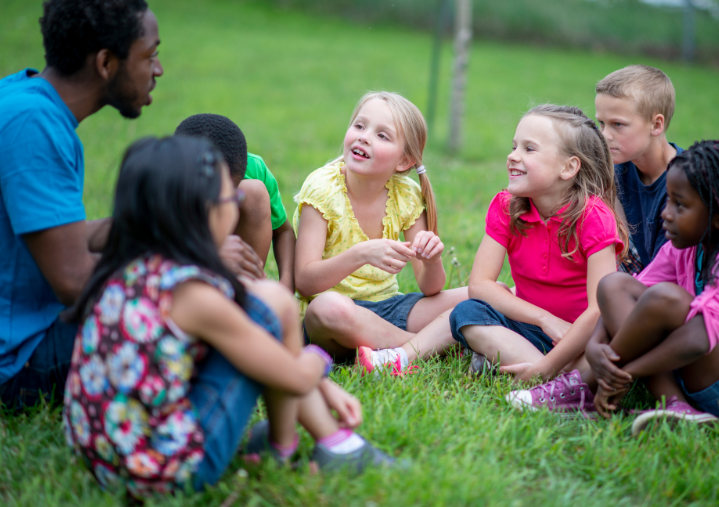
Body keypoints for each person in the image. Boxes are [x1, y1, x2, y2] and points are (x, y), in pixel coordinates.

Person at [63, 136, 398, 498]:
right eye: (232, 199)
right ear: (202, 212)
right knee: (268, 317)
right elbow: (296, 376)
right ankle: (329, 447)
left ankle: (295, 446)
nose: (237, 207)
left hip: (98, 451)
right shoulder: (190, 295)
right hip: (163, 471)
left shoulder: (128, 267)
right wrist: (319, 367)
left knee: (267, 300)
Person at [508, 139, 719, 435]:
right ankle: (675, 405)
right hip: (690, 374)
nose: (666, 213)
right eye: (668, 200)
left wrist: (624, 372)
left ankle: (583, 388)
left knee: (666, 299)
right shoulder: (683, 248)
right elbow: (623, 299)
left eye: (680, 205)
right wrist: (595, 346)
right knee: (615, 284)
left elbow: (700, 339)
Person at [0, 0, 163, 410]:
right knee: (197, 310)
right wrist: (187, 267)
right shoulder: (34, 127)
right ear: (106, 63)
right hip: (16, 361)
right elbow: (74, 280)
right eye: (149, 56)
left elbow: (50, 238)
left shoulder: (22, 98)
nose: (158, 70)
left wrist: (141, 226)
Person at [449, 105, 627, 382]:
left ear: (569, 167)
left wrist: (549, 363)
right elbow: (480, 285)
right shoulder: (506, 206)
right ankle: (564, 384)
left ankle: (542, 373)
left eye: (529, 149)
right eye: (514, 146)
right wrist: (545, 320)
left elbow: (597, 310)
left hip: (581, 337)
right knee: (467, 313)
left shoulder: (594, 217)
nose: (512, 156)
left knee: (608, 353)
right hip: (531, 328)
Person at [294, 91, 466, 372]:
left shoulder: (406, 194)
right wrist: (361, 253)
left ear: (403, 161)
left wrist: (433, 260)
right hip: (335, 322)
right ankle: (431, 346)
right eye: (359, 126)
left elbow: (429, 287)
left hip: (390, 311)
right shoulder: (322, 189)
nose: (364, 137)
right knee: (326, 308)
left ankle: (405, 349)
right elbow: (305, 281)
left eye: (382, 136)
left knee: (488, 293)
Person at [175, 113, 296, 291]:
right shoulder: (160, 181)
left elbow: (283, 233)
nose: (222, 204)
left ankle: (245, 291)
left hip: (233, 274)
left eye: (232, 195)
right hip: (177, 278)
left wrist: (286, 285)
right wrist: (210, 256)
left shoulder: (253, 168)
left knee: (254, 192)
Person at [594, 65, 682, 274]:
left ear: (656, 125)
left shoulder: (686, 184)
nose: (605, 135)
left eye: (618, 124)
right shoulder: (614, 170)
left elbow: (670, 276)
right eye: (601, 123)